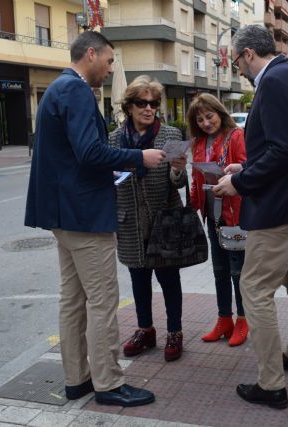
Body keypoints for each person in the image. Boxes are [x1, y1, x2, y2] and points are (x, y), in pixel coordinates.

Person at [24, 31, 163, 407]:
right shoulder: (77, 91)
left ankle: (78, 379)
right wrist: (139, 159)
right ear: (91, 53)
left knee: (73, 300)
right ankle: (109, 383)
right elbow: (89, 152)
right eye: (109, 60)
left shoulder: (57, 89)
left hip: (64, 217)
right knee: (102, 301)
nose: (110, 67)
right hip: (85, 216)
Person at [213, 25, 288, 409]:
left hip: (280, 205)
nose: (237, 67)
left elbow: (280, 152)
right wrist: (243, 167)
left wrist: (240, 182)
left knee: (255, 289)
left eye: (236, 58)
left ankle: (271, 384)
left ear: (248, 53)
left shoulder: (274, 81)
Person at [109, 75, 188, 362]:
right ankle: (146, 330)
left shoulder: (170, 136)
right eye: (142, 103)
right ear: (129, 106)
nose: (148, 108)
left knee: (169, 279)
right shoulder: (114, 140)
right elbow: (109, 180)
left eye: (153, 103)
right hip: (129, 220)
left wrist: (178, 170)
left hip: (163, 219)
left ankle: (175, 332)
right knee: (138, 279)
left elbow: (177, 184)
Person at [186, 93, 249, 347]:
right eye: (200, 119)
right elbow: (196, 178)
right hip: (212, 213)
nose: (205, 123)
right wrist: (192, 207)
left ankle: (244, 320)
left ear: (220, 113)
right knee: (220, 271)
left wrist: (232, 175)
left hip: (235, 213)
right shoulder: (199, 142)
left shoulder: (236, 136)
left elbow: (248, 168)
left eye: (209, 116)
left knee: (238, 271)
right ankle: (225, 319)